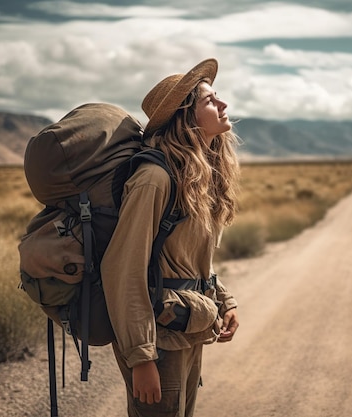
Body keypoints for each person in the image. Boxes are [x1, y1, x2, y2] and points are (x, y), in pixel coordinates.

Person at [101, 58, 241, 417]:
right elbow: (123, 269)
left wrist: (225, 300)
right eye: (210, 101)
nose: (223, 105)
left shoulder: (195, 176)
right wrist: (142, 357)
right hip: (158, 338)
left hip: (187, 324)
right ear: (185, 115)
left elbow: (189, 258)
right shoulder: (155, 179)